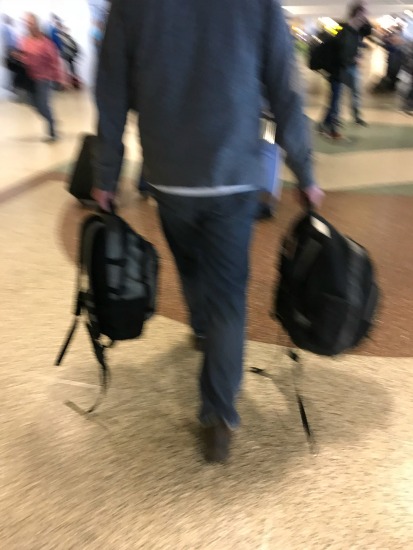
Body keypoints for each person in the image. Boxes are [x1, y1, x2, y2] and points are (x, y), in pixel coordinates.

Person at [92, 0, 324, 463]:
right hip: (233, 176)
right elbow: (285, 91)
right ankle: (218, 413)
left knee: (189, 262)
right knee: (228, 294)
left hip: (169, 177)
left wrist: (105, 175)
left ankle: (201, 326)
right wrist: (305, 171)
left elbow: (112, 90)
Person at [319, 2, 369, 139]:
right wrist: (351, 58)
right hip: (338, 70)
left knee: (336, 99)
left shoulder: (355, 32)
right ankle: (332, 129)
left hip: (346, 68)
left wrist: (356, 57)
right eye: (363, 15)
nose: (365, 18)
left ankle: (325, 123)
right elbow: (338, 51)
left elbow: (367, 31)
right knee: (335, 101)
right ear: (357, 15)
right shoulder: (343, 31)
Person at [19, 14, 64, 142]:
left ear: (36, 24)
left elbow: (54, 61)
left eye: (30, 23)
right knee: (34, 104)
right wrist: (19, 58)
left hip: (44, 78)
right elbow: (24, 56)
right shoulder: (25, 41)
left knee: (43, 105)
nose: (28, 25)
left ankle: (52, 132)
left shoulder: (46, 42)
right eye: (26, 23)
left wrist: (59, 78)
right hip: (30, 78)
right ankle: (51, 119)